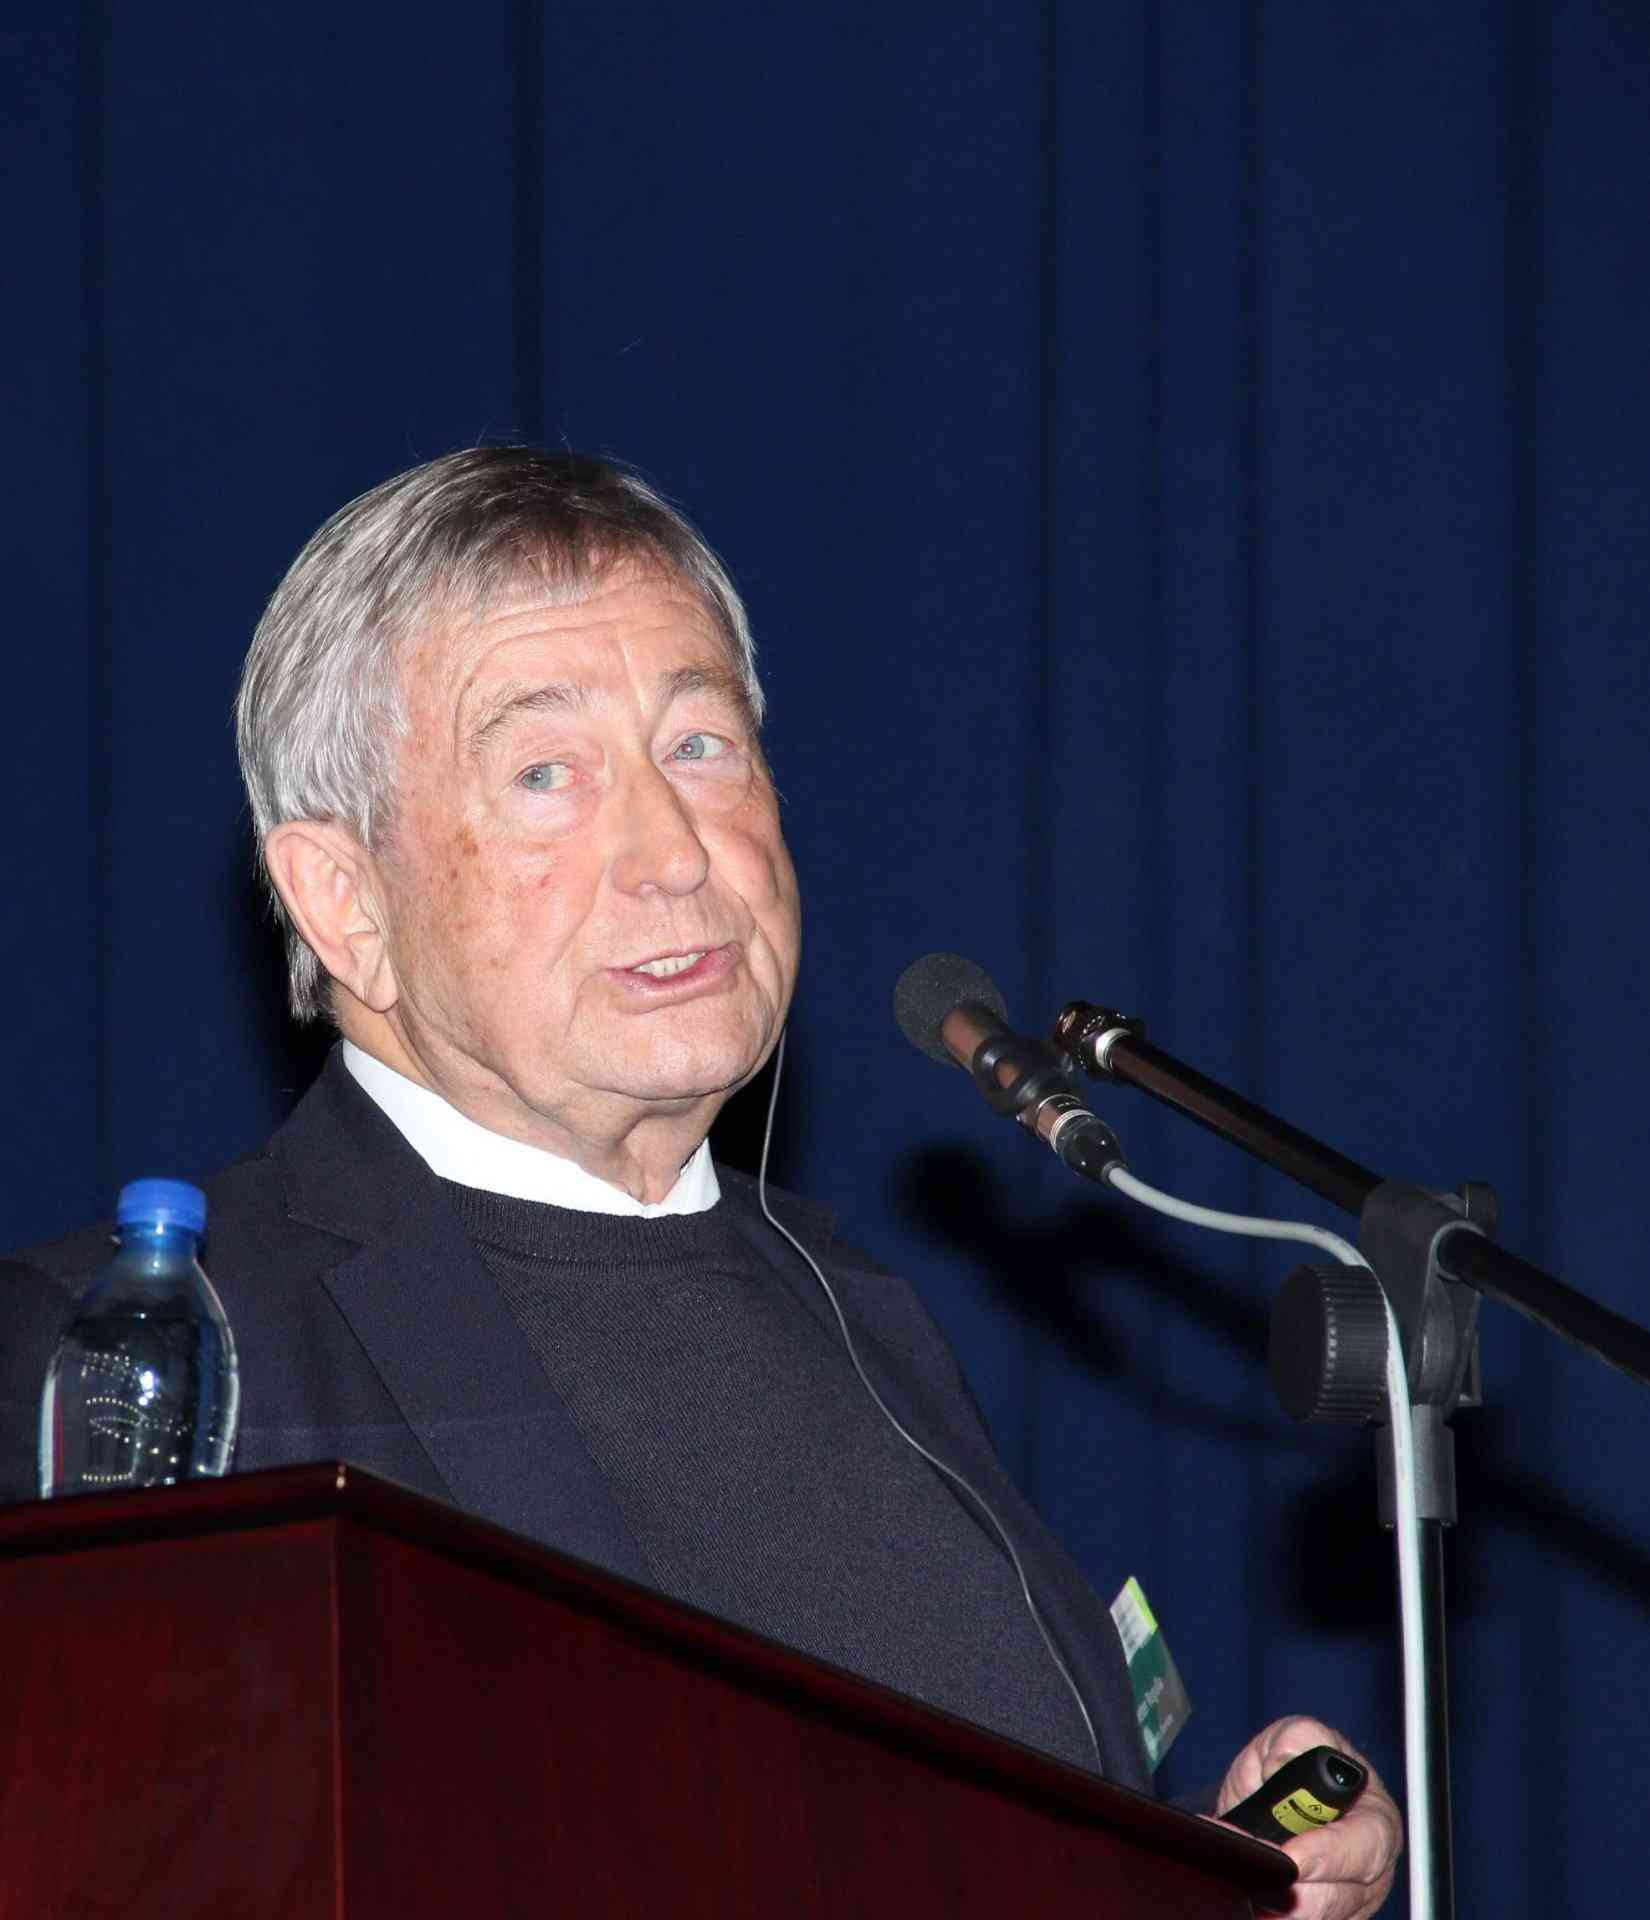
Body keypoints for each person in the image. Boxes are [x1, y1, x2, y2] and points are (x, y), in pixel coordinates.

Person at [0, 448, 1399, 1916]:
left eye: (700, 743)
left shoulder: (863, 1320)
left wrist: (1204, 1879)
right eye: (546, 775)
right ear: (343, 902)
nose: (673, 852)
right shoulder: (116, 1350)